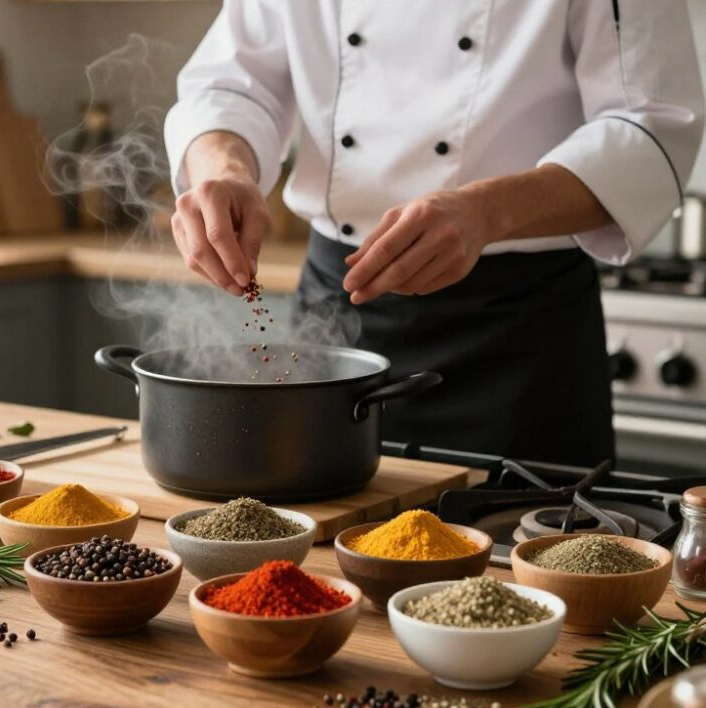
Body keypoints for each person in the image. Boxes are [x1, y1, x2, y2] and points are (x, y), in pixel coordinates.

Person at [163, 1, 705, 466]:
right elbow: (232, 81)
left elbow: (650, 125)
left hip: (517, 339)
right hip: (338, 312)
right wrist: (223, 170)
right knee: (320, 562)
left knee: (526, 568)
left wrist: (487, 211)